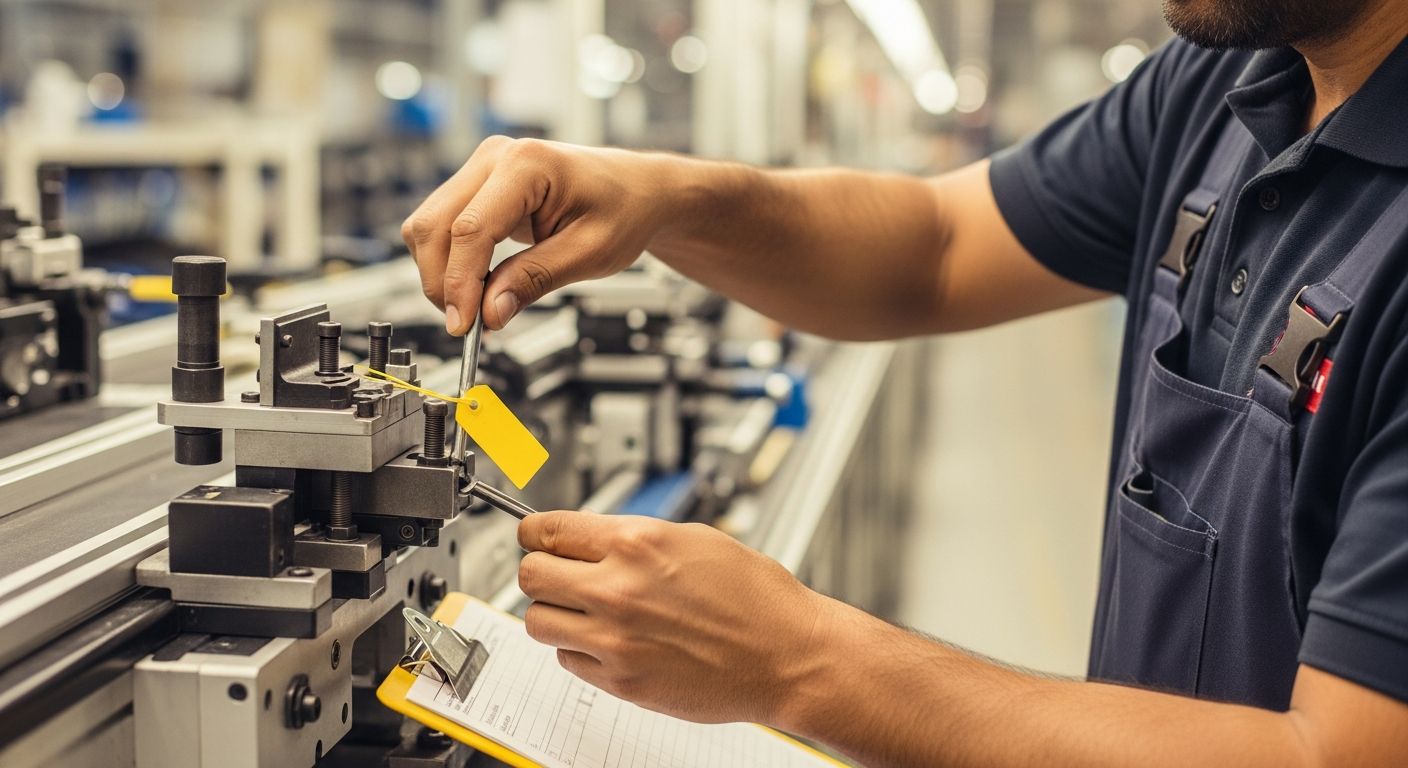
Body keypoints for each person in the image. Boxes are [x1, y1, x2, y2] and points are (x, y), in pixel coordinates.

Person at [402, 0, 1408, 762]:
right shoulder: (1218, 83)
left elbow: (1331, 753)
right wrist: (669, 198)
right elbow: (935, 246)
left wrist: (796, 660)